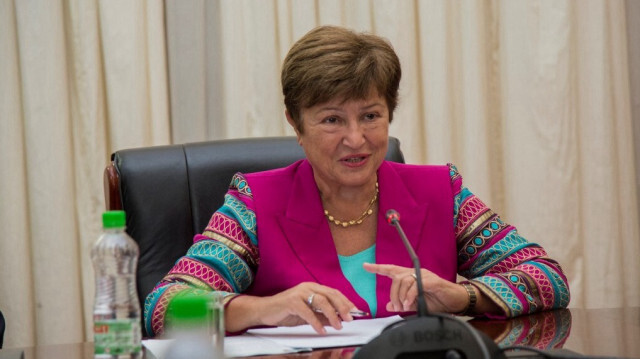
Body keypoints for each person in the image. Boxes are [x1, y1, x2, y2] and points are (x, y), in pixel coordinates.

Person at [144, 25, 570, 337]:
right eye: (332, 119)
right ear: (296, 123)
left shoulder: (441, 191)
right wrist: (264, 309)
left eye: (370, 115)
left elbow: (547, 277)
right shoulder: (254, 204)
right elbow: (165, 307)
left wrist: (464, 298)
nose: (356, 139)